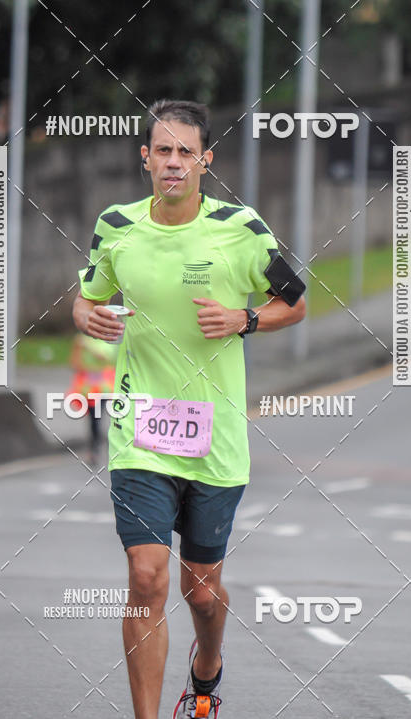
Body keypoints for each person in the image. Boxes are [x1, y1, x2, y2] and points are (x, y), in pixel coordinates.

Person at [72, 100, 306, 719]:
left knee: (200, 592)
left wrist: (245, 318)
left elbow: (297, 302)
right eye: (162, 151)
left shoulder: (242, 228)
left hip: (216, 437)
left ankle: (206, 671)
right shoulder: (115, 225)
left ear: (206, 159)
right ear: (144, 157)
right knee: (146, 577)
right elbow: (87, 294)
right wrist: (86, 314)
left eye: (185, 152)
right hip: (139, 429)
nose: (173, 162)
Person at [67, 332, 118, 464]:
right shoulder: (82, 340)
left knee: (97, 417)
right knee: (92, 419)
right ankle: (94, 447)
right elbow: (74, 364)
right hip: (87, 388)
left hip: (103, 388)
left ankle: (97, 448)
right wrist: (78, 348)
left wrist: (87, 345)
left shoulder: (107, 339)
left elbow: (103, 356)